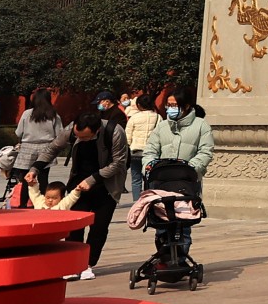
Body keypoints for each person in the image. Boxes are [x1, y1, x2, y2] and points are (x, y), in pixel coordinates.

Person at [28, 109, 129, 277]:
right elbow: (52, 149)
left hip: (107, 185)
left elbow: (119, 162)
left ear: (96, 130)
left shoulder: (114, 131)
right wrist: (35, 169)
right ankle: (73, 263)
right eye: (78, 136)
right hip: (78, 185)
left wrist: (92, 179)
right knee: (74, 226)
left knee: (99, 228)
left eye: (85, 137)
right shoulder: (71, 130)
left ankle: (88, 264)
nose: (80, 139)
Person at [142, 89, 215, 260]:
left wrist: (190, 168)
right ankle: (164, 256)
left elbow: (206, 151)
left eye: (174, 105)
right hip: (161, 182)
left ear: (186, 106)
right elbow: (150, 150)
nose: (170, 109)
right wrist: (149, 166)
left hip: (187, 182)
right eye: (169, 105)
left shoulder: (201, 125)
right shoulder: (161, 126)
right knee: (161, 220)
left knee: (184, 221)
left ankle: (180, 260)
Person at [9, 91, 67, 203]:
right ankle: (44, 203)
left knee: (26, 179)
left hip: (27, 148)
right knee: (43, 178)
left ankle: (23, 205)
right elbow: (60, 134)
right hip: (46, 148)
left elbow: (18, 132)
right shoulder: (53, 115)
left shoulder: (27, 113)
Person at [123, 92, 159, 203]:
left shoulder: (134, 118)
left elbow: (127, 136)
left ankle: (137, 202)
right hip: (151, 153)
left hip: (135, 152)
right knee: (149, 178)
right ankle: (149, 200)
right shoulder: (158, 117)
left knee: (136, 179)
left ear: (139, 105)